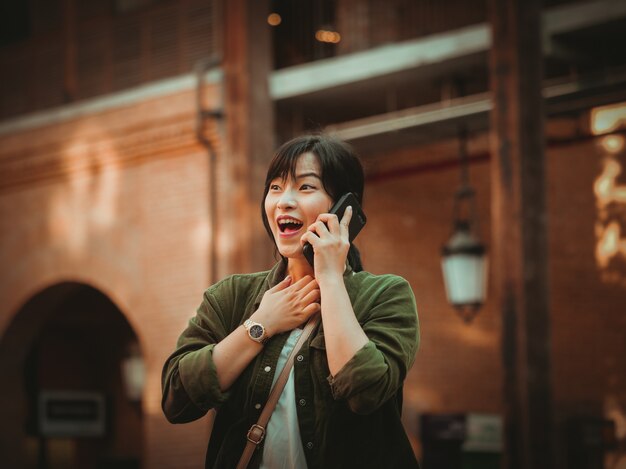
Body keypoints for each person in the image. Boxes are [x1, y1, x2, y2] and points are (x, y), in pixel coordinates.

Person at [161, 134, 420, 469]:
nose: (283, 201)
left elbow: (364, 392)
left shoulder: (386, 295)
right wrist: (259, 326)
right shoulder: (231, 296)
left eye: (305, 187)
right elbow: (175, 399)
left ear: (345, 208)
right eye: (275, 187)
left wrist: (329, 279)